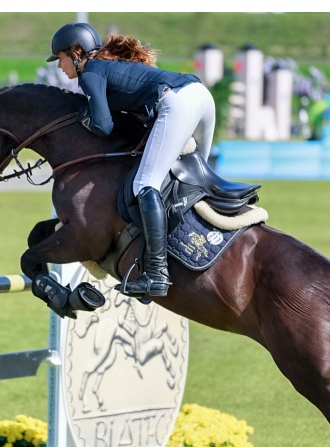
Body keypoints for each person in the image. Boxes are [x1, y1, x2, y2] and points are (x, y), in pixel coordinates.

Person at [47, 22, 216, 298]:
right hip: (200, 96)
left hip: (178, 102)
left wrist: (82, 117)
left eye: (60, 58)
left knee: (144, 185)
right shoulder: (107, 67)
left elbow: (103, 126)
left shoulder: (90, 72)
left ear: (76, 53)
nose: (58, 66)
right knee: (194, 178)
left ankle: (157, 273)